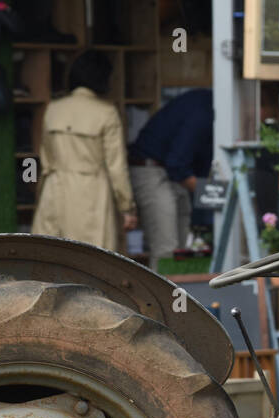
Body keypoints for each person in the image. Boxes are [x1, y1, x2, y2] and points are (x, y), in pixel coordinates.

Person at [31, 50, 136, 249]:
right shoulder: (107, 112)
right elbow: (116, 167)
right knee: (93, 262)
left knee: (49, 258)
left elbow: (45, 160)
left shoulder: (53, 109)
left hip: (54, 192)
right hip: (92, 194)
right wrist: (127, 207)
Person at [128, 87, 212, 271]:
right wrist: (213, 195)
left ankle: (178, 299)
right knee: (166, 249)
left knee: (180, 251)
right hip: (149, 168)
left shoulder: (208, 106)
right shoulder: (204, 111)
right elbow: (177, 164)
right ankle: (160, 300)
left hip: (172, 172)